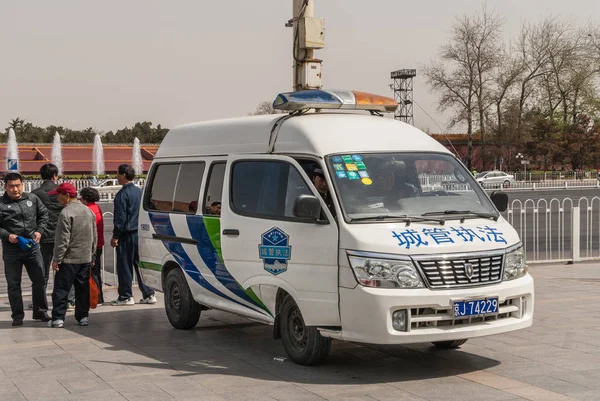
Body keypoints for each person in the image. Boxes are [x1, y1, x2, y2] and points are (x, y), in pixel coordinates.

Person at [0, 172, 51, 326]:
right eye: (11, 186)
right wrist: (7, 235)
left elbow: (44, 215)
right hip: (12, 250)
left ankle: (41, 311)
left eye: (18, 185)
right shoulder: (1, 203)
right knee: (13, 283)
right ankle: (17, 315)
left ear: (22, 184)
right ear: (5, 186)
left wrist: (39, 231)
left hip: (32, 247)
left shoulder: (32, 199)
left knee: (39, 280)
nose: (15, 189)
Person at [49, 183, 97, 328]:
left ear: (67, 196)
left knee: (62, 289)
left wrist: (57, 259)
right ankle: (83, 317)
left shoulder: (66, 213)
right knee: (82, 289)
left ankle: (58, 318)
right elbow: (93, 236)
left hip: (69, 259)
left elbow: (63, 240)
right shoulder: (88, 211)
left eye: (59, 195)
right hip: (85, 258)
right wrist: (92, 255)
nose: (57, 198)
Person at [110, 164, 156, 305]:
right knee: (140, 264)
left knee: (124, 265)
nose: (116, 177)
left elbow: (120, 218)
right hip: (140, 233)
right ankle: (149, 293)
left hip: (127, 234)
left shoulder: (122, 195)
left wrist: (115, 236)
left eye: (117, 174)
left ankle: (125, 296)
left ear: (123, 175)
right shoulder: (139, 192)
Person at [30, 164, 64, 311]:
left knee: (41, 273)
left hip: (42, 237)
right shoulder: (62, 192)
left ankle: (39, 302)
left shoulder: (35, 193)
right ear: (55, 175)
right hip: (61, 236)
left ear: (40, 175)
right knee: (63, 271)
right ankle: (64, 300)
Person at [80, 187, 105, 305]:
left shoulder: (89, 210)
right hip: (99, 243)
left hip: (92, 245)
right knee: (95, 272)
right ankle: (99, 297)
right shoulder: (96, 208)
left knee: (92, 272)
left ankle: (96, 297)